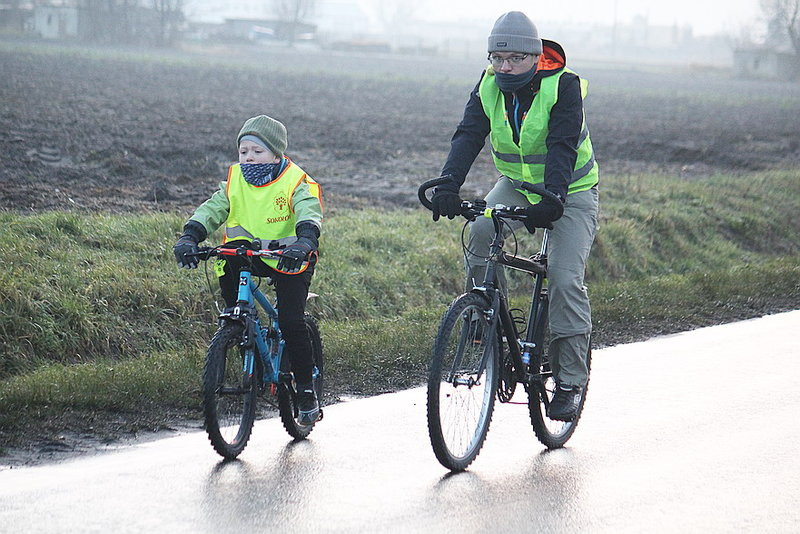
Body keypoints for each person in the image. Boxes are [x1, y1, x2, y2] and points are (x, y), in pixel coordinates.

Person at [430, 11, 599, 421]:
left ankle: (571, 381)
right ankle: (486, 321)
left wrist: (554, 198)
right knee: (481, 229)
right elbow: (469, 133)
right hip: (518, 184)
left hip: (570, 192)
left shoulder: (564, 86)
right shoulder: (489, 84)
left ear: (535, 57)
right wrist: (448, 185)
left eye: (514, 59)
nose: (503, 67)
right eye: (496, 58)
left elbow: (561, 146)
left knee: (562, 276)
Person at [173, 114, 324, 425]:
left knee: (292, 321)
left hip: (289, 257)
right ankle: (238, 332)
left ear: (276, 153)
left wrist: (305, 240)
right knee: (226, 271)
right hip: (247, 254)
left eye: (257, 151)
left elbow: (309, 211)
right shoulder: (235, 179)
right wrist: (190, 235)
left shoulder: (296, 181)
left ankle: (307, 390)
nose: (249, 158)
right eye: (243, 152)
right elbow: (214, 208)